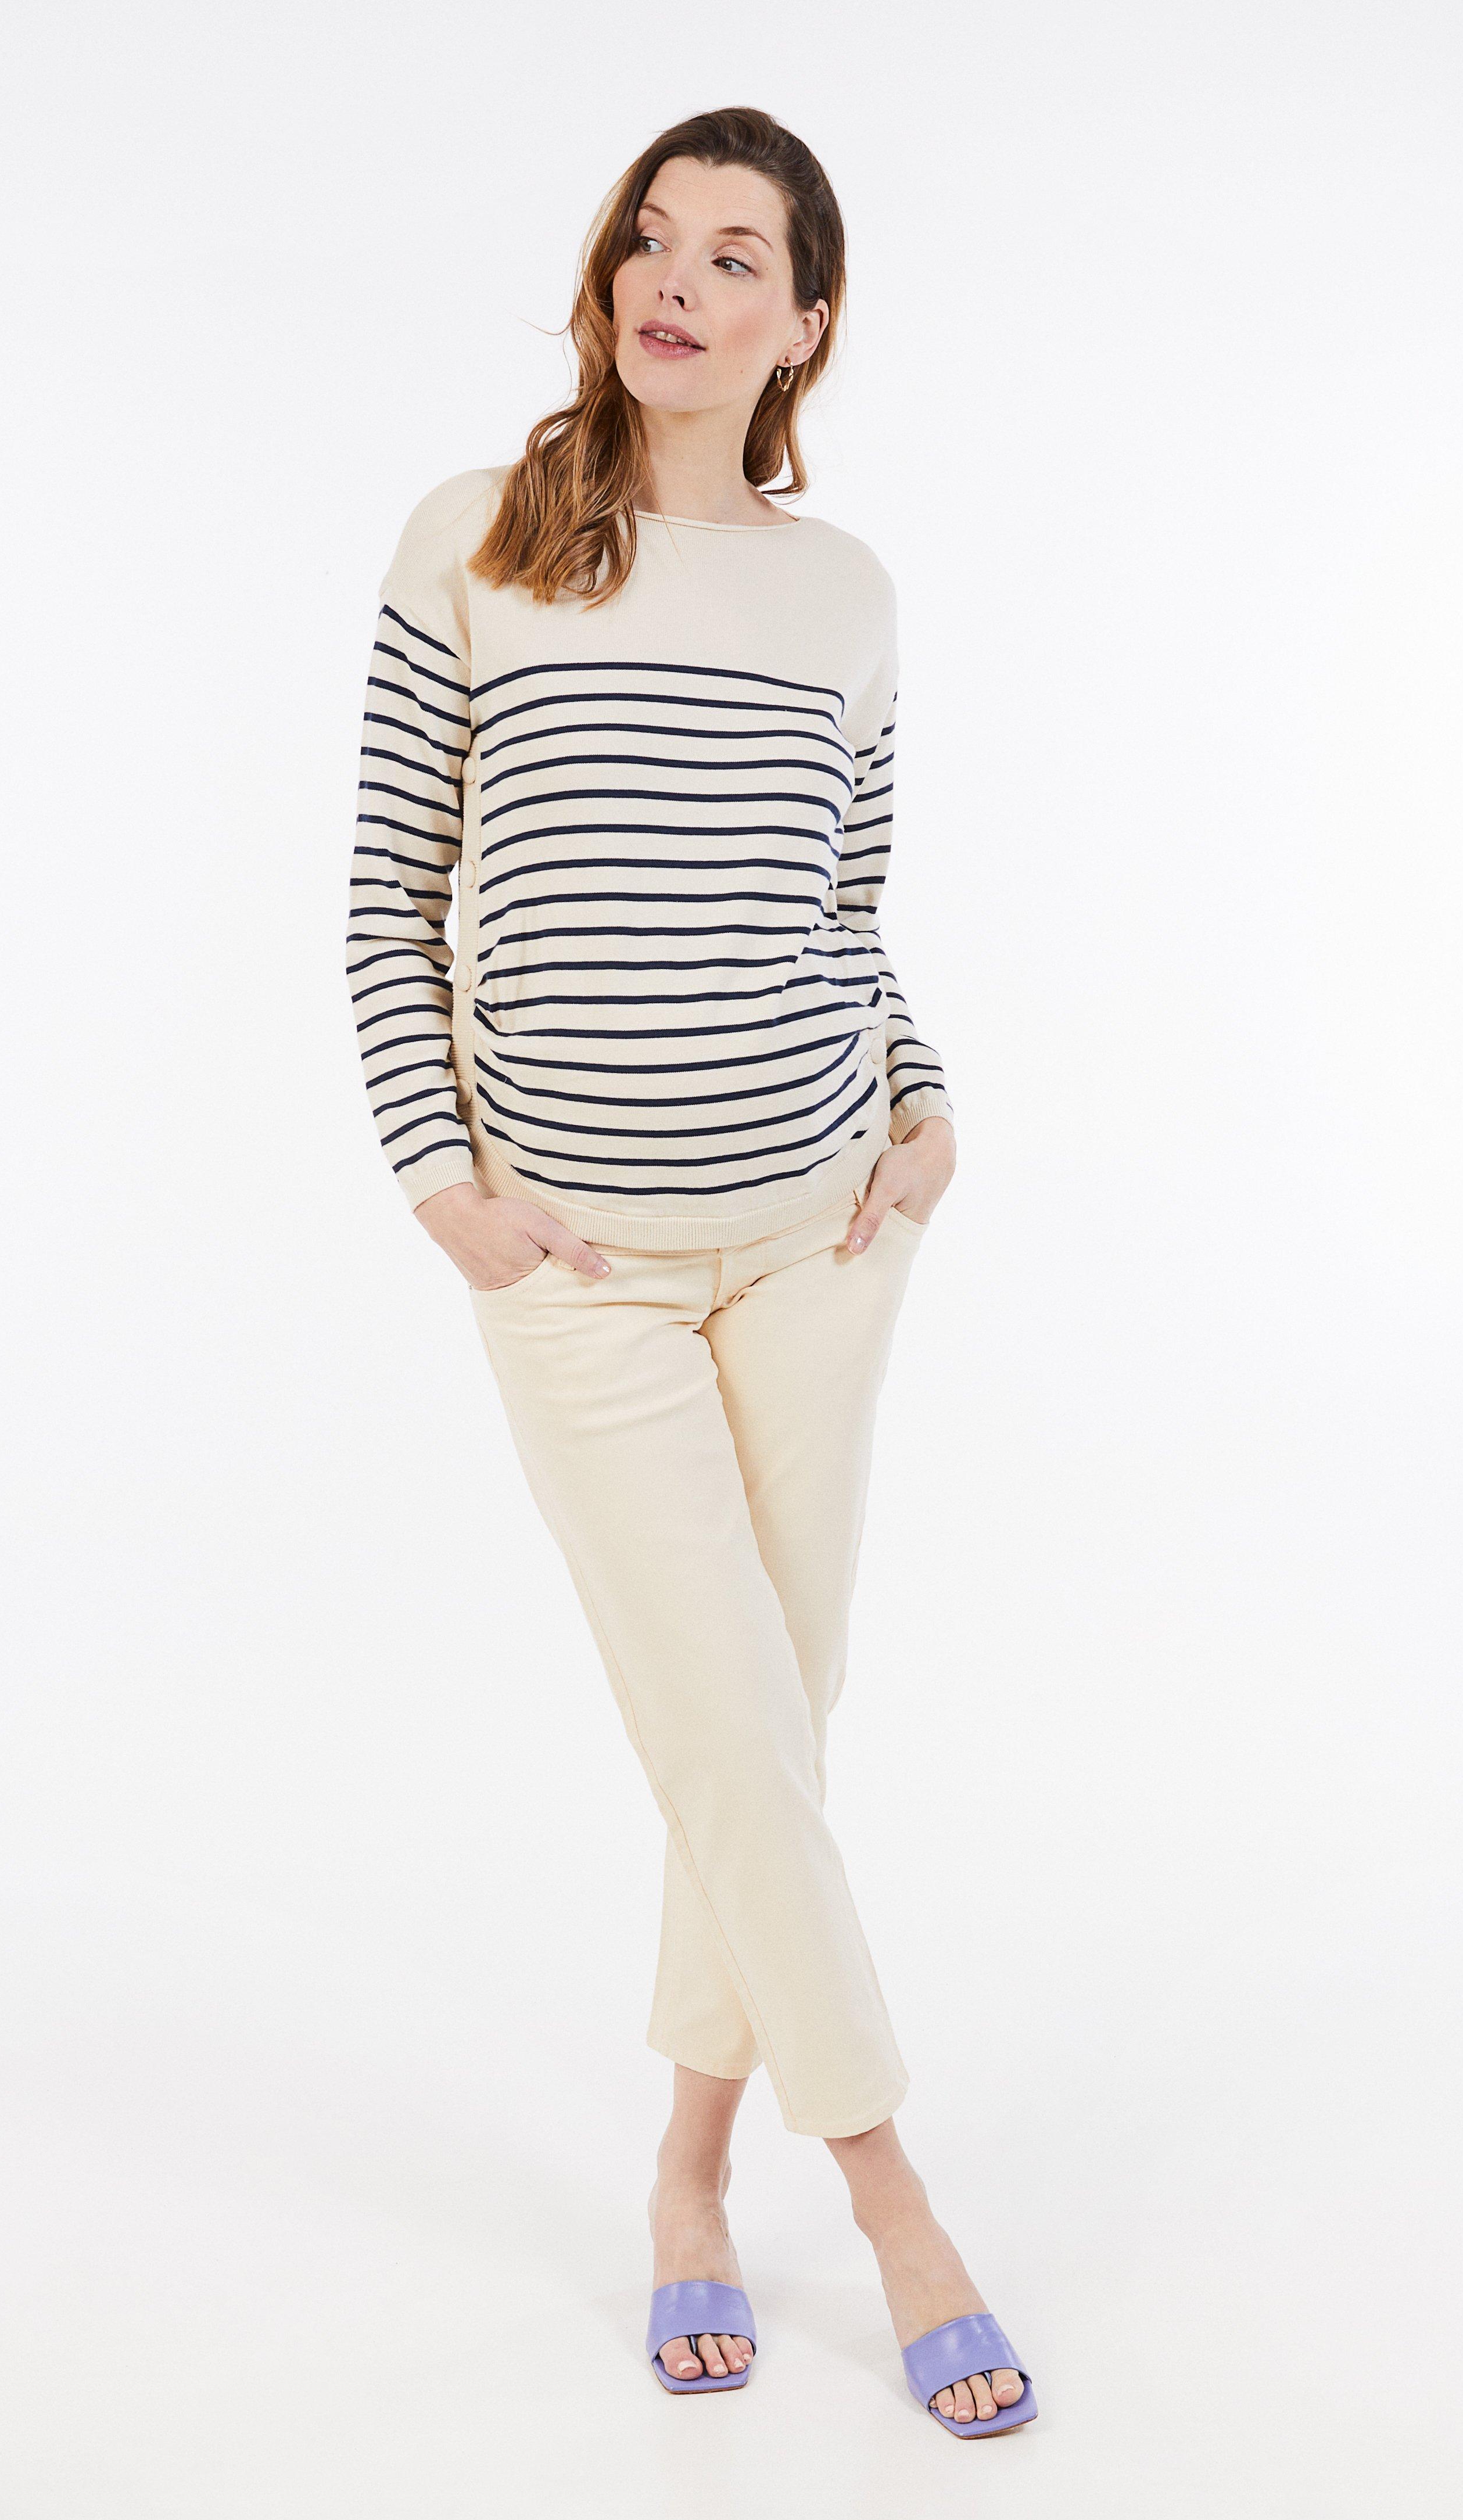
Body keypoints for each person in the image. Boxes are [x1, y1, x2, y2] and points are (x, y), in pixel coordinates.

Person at [344, 105, 1036, 2440]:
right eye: (652, 236)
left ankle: (686, 2167)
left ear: (803, 322)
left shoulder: (843, 596)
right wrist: (438, 1179)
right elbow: (388, 895)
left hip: (822, 1231)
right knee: (726, 1721)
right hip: (581, 1262)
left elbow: (841, 909)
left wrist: (923, 1105)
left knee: (766, 1717)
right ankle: (892, 2194)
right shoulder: (479, 536)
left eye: (736, 255)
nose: (675, 279)